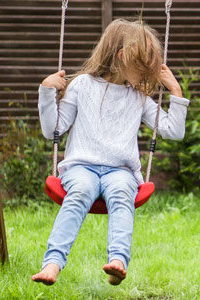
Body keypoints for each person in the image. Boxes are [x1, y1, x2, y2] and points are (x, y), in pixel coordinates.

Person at [31, 19, 189, 286]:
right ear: (121, 57)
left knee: (121, 192)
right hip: (82, 168)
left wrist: (176, 92)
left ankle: (117, 261)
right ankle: (52, 263)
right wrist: (47, 93)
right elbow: (53, 130)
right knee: (79, 191)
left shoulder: (138, 97)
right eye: (143, 66)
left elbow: (173, 130)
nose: (149, 73)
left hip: (121, 171)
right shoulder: (82, 86)